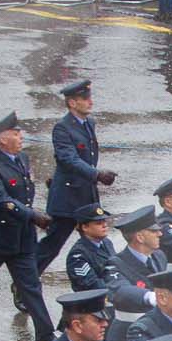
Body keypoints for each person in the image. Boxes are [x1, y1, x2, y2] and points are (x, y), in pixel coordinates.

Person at [0, 110, 54, 341]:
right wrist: (33, 216)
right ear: (1, 139)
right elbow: (1, 200)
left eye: (19, 132)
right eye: (15, 133)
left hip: (22, 240)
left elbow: (25, 192)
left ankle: (46, 339)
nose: (20, 136)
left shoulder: (22, 159)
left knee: (32, 289)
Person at [37, 79, 114, 270]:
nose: (90, 102)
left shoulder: (89, 123)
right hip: (67, 197)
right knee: (52, 245)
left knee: (98, 241)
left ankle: (109, 279)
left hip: (86, 195)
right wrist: (97, 175)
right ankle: (25, 283)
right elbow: (68, 159)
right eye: (85, 98)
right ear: (72, 103)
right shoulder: (62, 128)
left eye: (89, 97)